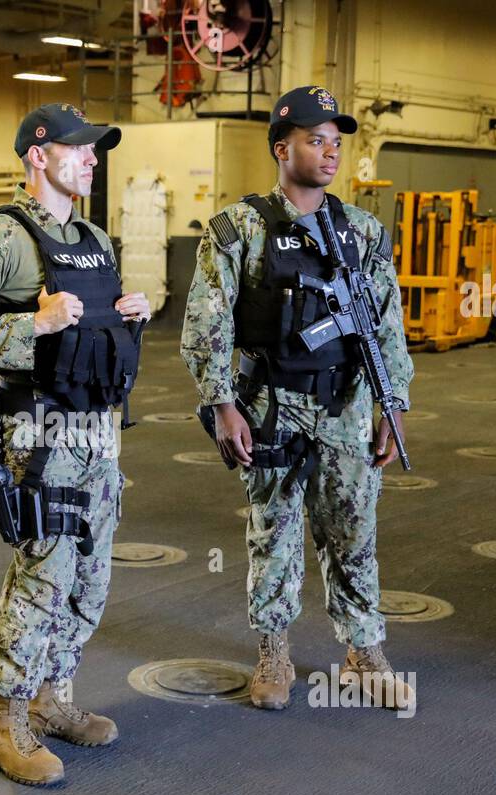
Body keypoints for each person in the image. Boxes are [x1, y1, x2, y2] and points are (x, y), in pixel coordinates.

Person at [0, 103, 151, 785]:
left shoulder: (93, 237)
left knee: (90, 576)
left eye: (96, 151)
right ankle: (6, 722)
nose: (92, 160)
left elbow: (96, 332)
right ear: (37, 155)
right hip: (38, 433)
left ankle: (54, 699)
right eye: (80, 150)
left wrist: (128, 317)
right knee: (43, 576)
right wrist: (36, 322)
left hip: (98, 432)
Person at [181, 86, 416, 713]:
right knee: (274, 531)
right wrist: (222, 402)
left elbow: (388, 325)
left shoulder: (362, 231)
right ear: (282, 148)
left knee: (353, 531)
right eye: (317, 140)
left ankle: (364, 652)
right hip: (271, 404)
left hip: (346, 406)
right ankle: (274, 651)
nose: (331, 152)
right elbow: (207, 322)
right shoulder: (239, 228)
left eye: (337, 142)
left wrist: (393, 407)